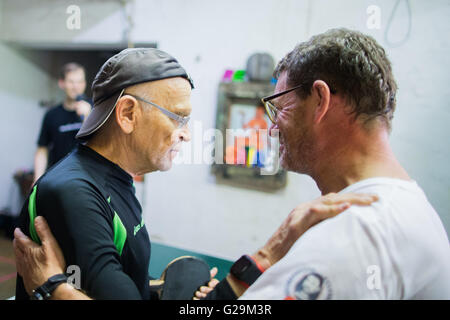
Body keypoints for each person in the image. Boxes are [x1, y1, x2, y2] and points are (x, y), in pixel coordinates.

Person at [13, 47, 378, 300]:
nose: (186, 132)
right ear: (126, 114)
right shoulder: (74, 191)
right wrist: (52, 288)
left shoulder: (115, 178)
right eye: (178, 117)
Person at [34, 62, 92, 183]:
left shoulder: (96, 110)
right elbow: (42, 149)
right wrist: (37, 179)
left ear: (85, 83)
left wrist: (88, 117)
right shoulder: (52, 114)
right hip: (58, 177)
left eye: (80, 82)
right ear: (62, 83)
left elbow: (102, 142)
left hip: (87, 176)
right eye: (71, 82)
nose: (76, 86)